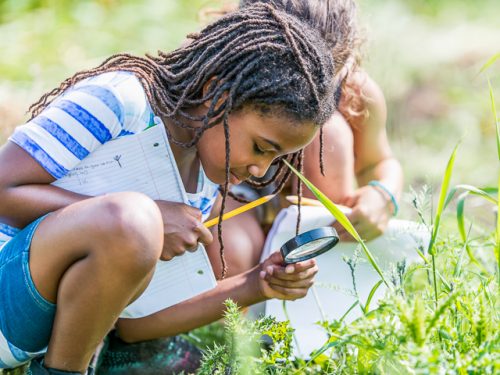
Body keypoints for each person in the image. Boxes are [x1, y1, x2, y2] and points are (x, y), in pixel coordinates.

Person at [0, 4, 340, 374]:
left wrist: (258, 284)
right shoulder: (122, 100)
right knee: (132, 219)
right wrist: (147, 218)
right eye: (261, 147)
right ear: (217, 95)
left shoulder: (203, 181)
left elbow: (132, 324)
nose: (260, 170)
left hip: (26, 337)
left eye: (277, 160)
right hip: (9, 292)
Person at [206, 0, 404, 278]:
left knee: (330, 136)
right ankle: (242, 309)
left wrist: (383, 195)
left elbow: (379, 161)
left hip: (307, 204)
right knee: (232, 250)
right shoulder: (221, 70)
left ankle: (323, 282)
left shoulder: (354, 91)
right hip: (233, 193)